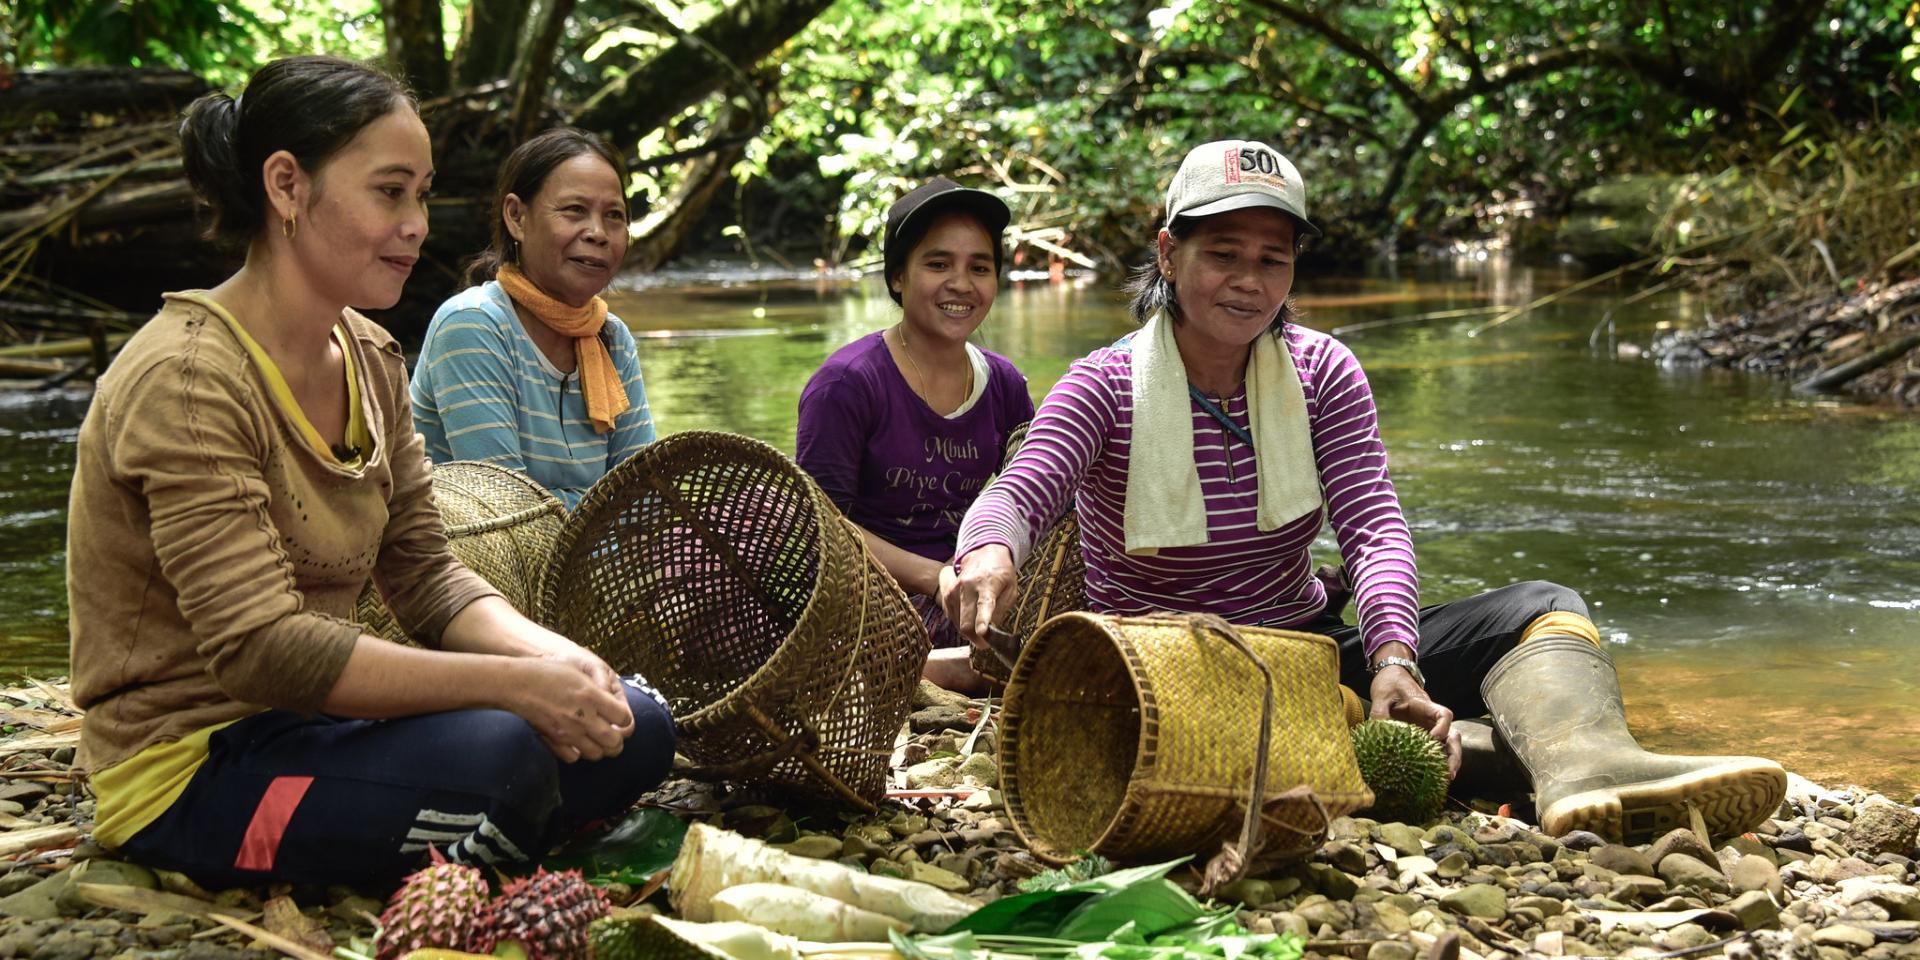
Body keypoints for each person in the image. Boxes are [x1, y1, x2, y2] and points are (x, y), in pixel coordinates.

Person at [941, 139, 1784, 843]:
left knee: (1541, 605)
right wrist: (986, 552)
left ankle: (1583, 770)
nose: (1248, 281)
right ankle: (1503, 754)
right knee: (1323, 719)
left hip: (1307, 640)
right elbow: (1024, 488)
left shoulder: (1322, 371)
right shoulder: (1105, 383)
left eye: (1272, 260)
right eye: (1222, 255)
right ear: (1169, 253)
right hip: (1177, 673)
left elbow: (1373, 528)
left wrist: (1394, 658)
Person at [65, 57, 675, 889]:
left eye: (421, 195)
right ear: (287, 186)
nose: (418, 223)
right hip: (192, 773)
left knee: (637, 722)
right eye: (391, 192)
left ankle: (489, 829)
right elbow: (262, 651)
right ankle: (496, 828)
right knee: (506, 759)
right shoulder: (187, 378)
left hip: (320, 729)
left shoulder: (373, 355)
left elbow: (425, 575)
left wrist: (559, 660)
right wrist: (518, 689)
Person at [796, 178, 1034, 690]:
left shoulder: (1006, 384)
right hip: (873, 586)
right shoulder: (847, 384)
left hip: (970, 579)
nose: (961, 284)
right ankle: (928, 669)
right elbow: (823, 530)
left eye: (980, 267)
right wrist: (936, 576)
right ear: (898, 277)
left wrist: (982, 569)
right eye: (938, 264)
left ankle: (935, 668)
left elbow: (1033, 497)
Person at [411, 127, 653, 509]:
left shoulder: (612, 337)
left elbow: (647, 494)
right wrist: (606, 508)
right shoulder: (473, 325)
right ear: (516, 217)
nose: (598, 233)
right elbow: (508, 507)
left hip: (589, 560)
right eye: (574, 210)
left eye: (614, 216)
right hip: (477, 562)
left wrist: (617, 510)